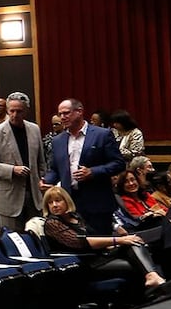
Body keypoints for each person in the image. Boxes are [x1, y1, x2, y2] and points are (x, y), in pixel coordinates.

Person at [42, 185, 164, 297]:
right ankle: (148, 291)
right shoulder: (52, 223)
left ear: (66, 201)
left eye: (58, 201)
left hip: (98, 256)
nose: (54, 205)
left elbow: (95, 236)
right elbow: (79, 242)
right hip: (82, 264)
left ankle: (152, 280)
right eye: (50, 203)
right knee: (132, 261)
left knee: (134, 242)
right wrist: (118, 240)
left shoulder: (76, 217)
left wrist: (117, 243)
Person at [43, 98, 126, 234]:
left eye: (66, 113)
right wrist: (46, 180)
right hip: (69, 203)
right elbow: (55, 168)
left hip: (97, 201)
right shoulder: (58, 140)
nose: (62, 117)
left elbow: (118, 163)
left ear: (79, 112)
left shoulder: (102, 135)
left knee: (100, 243)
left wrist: (93, 172)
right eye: (60, 114)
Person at [0, 93, 46, 231]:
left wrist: (42, 179)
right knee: (14, 241)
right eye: (12, 111)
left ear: (26, 111)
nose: (15, 115)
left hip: (34, 196)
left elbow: (41, 161)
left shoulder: (34, 129)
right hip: (9, 198)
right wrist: (11, 170)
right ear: (7, 110)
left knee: (37, 239)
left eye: (19, 111)